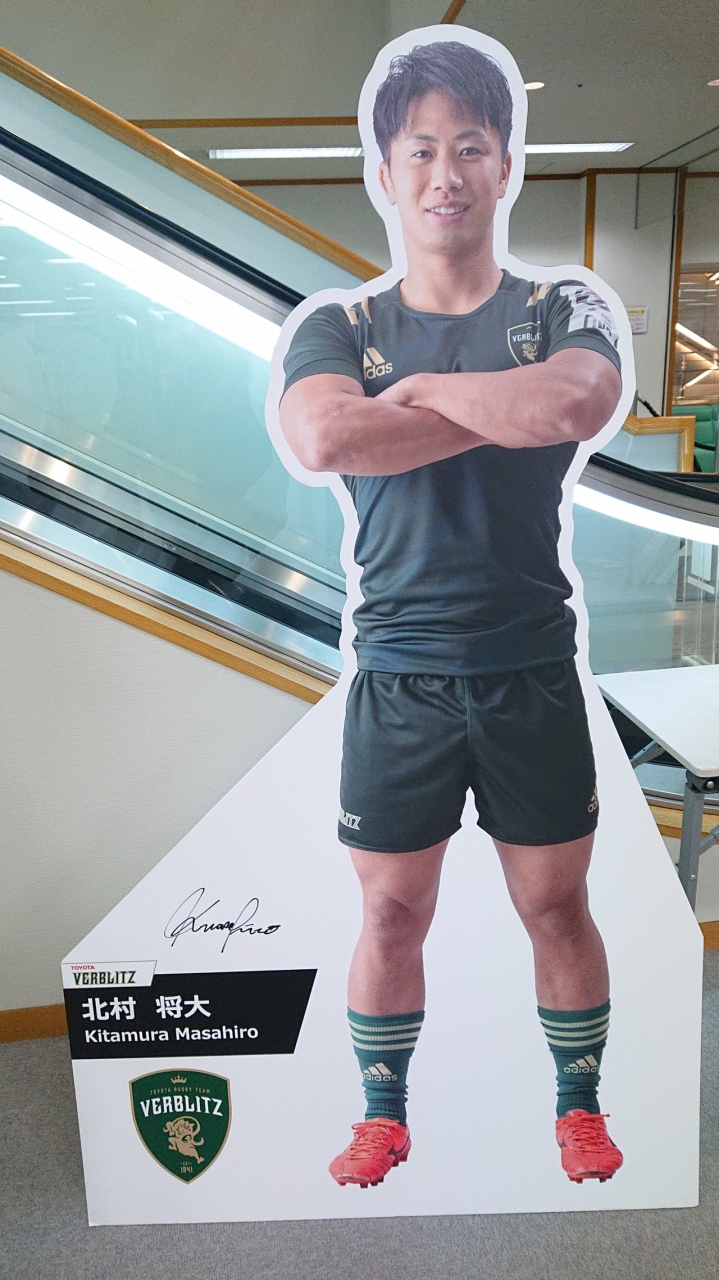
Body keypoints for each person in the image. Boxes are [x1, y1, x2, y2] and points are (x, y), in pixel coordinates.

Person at [279, 40, 624, 1189]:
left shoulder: (560, 304)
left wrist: (419, 396)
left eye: (468, 147)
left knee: (554, 903)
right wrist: (496, 408)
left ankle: (577, 1106)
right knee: (389, 912)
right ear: (384, 172)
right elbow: (324, 434)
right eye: (420, 150)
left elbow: (573, 400)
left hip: (529, 665)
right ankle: (383, 1115)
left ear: (504, 164)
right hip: (398, 675)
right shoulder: (340, 324)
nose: (445, 173)